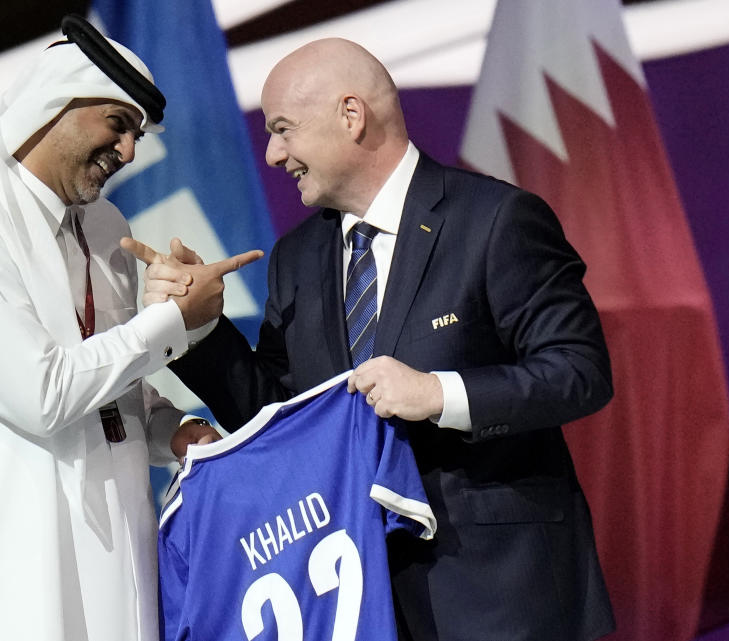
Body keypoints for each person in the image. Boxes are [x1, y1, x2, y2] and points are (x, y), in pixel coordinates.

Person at [127, 38, 615, 641]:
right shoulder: (297, 257)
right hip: (356, 601)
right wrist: (198, 326)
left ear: (350, 116)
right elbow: (279, 419)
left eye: (283, 130)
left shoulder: (495, 220)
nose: (274, 155)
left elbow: (579, 372)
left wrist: (438, 394)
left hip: (496, 594)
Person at [0, 15, 258, 641]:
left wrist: (174, 431)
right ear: (54, 104)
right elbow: (39, 394)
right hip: (9, 576)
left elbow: (108, 385)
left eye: (138, 133)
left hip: (118, 558)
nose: (130, 151)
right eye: (118, 123)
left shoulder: (106, 226)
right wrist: (169, 322)